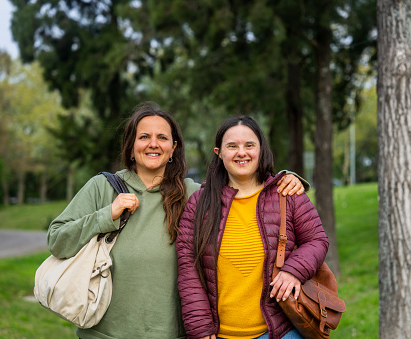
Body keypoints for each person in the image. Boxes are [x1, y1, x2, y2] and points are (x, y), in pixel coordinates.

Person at [46, 101, 307, 339]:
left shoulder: (193, 194)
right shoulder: (102, 187)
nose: (153, 144)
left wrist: (287, 178)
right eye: (144, 137)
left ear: (173, 148)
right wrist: (106, 215)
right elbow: (57, 240)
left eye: (162, 137)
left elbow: (243, 184)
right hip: (105, 334)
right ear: (131, 146)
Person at [176, 115, 329, 339]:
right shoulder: (199, 203)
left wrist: (293, 271)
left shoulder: (287, 194)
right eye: (232, 146)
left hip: (280, 332)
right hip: (219, 334)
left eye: (249, 145)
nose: (241, 152)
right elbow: (188, 268)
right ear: (219, 153)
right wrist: (200, 328)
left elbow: (317, 240)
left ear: (261, 149)